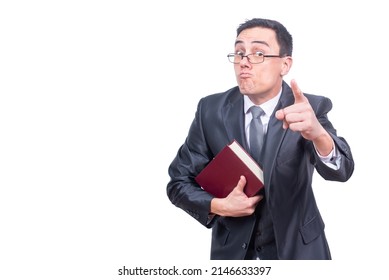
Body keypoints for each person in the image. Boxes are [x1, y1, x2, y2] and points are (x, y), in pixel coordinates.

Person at [166, 18, 354, 260]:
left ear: (285, 65)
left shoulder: (309, 107)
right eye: (239, 52)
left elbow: (343, 170)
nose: (244, 62)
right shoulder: (210, 109)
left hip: (300, 250)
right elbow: (178, 183)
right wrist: (219, 205)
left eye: (258, 53)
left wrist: (318, 133)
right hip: (233, 254)